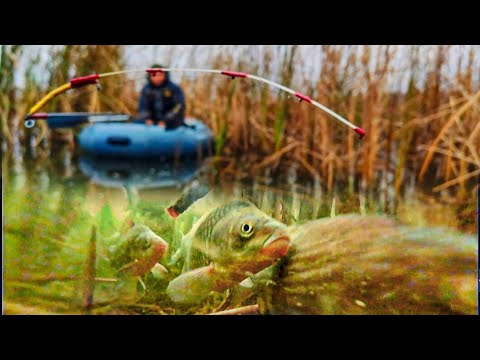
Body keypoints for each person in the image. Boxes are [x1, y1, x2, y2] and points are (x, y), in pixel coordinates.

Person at [136, 64, 186, 130]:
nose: (157, 78)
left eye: (159, 75)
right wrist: (146, 118)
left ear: (165, 75)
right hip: (151, 122)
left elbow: (179, 106)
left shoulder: (173, 87)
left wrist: (166, 120)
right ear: (149, 76)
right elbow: (142, 106)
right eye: (154, 75)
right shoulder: (146, 89)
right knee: (137, 121)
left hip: (170, 120)